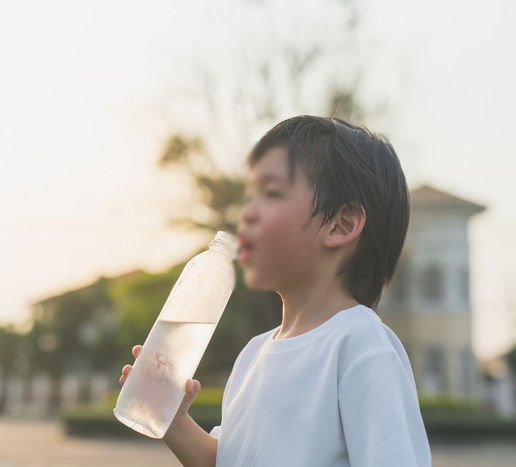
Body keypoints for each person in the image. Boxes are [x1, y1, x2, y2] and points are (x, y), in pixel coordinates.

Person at [119, 115, 432, 466]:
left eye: (272, 194)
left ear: (341, 224)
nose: (247, 214)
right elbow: (227, 461)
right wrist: (174, 421)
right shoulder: (253, 355)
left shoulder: (359, 343)